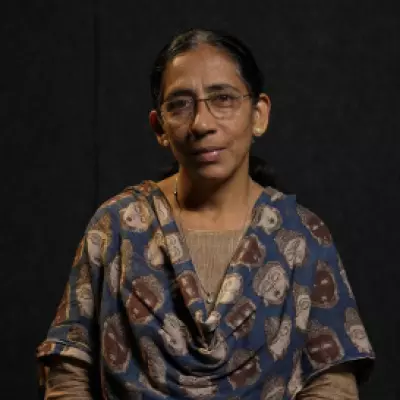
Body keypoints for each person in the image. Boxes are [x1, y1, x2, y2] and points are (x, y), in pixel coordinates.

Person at [37, 28, 375, 399]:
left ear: (259, 114)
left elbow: (332, 381)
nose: (201, 123)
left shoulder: (301, 237)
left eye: (223, 98)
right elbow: (68, 373)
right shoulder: (118, 229)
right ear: (160, 128)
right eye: (180, 104)